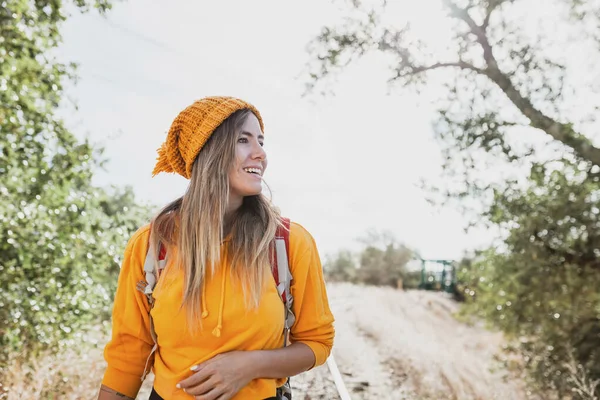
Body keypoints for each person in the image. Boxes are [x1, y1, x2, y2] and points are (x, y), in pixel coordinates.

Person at [97, 96, 335, 400]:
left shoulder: (288, 242)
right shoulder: (151, 244)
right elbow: (128, 354)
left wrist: (249, 365)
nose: (260, 154)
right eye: (243, 140)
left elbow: (318, 342)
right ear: (208, 150)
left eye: (261, 142)